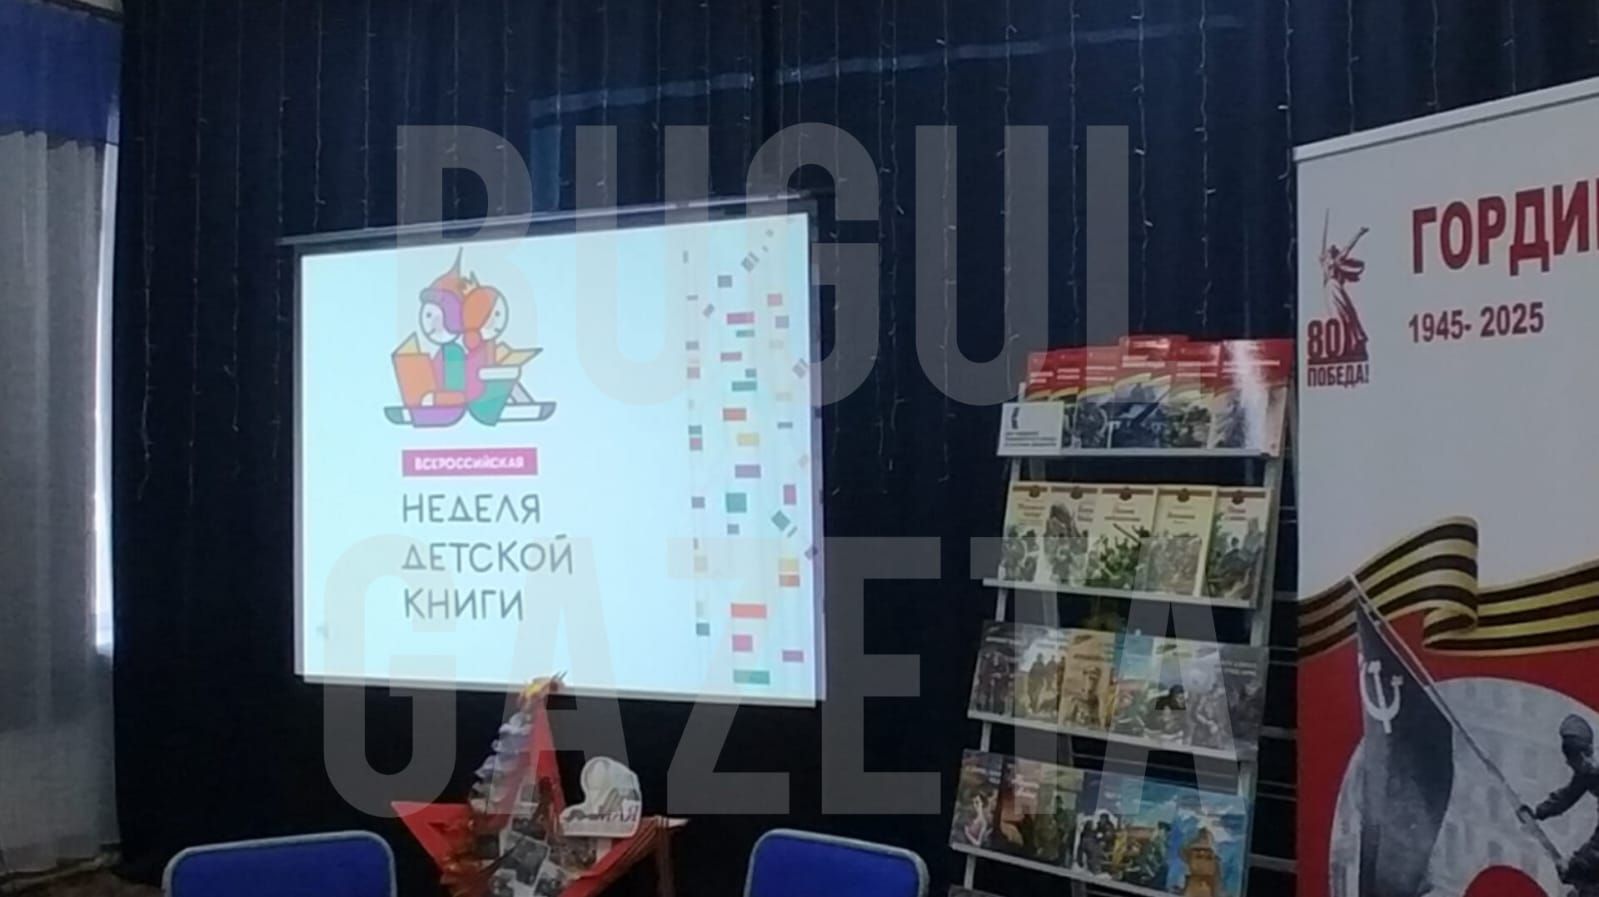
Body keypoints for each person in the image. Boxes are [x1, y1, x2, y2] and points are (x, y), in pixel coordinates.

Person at [1518, 715, 1599, 890]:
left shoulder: (1591, 767)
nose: (1568, 764)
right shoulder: (1589, 769)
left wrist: (1576, 865)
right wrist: (1538, 812)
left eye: (1571, 761)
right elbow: (1568, 795)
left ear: (1582, 756)